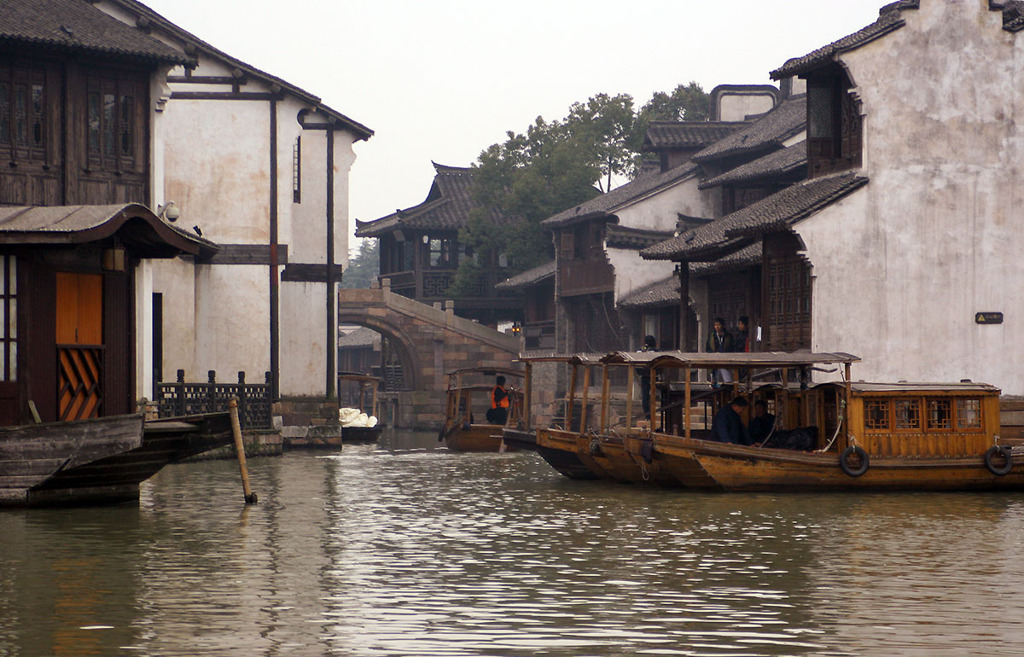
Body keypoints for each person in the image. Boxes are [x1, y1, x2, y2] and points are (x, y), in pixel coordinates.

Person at [705, 317, 734, 386]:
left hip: (726, 361)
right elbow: (708, 348)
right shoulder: (711, 336)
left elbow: (732, 348)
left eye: (719, 325)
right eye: (715, 325)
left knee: (728, 380)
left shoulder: (728, 336)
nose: (717, 327)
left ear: (723, 326)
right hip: (714, 360)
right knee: (714, 380)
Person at [638, 335, 657, 417]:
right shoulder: (655, 351)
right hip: (654, 375)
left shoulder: (640, 350)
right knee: (655, 395)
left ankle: (647, 415)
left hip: (644, 376)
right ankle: (652, 414)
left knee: (645, 397)